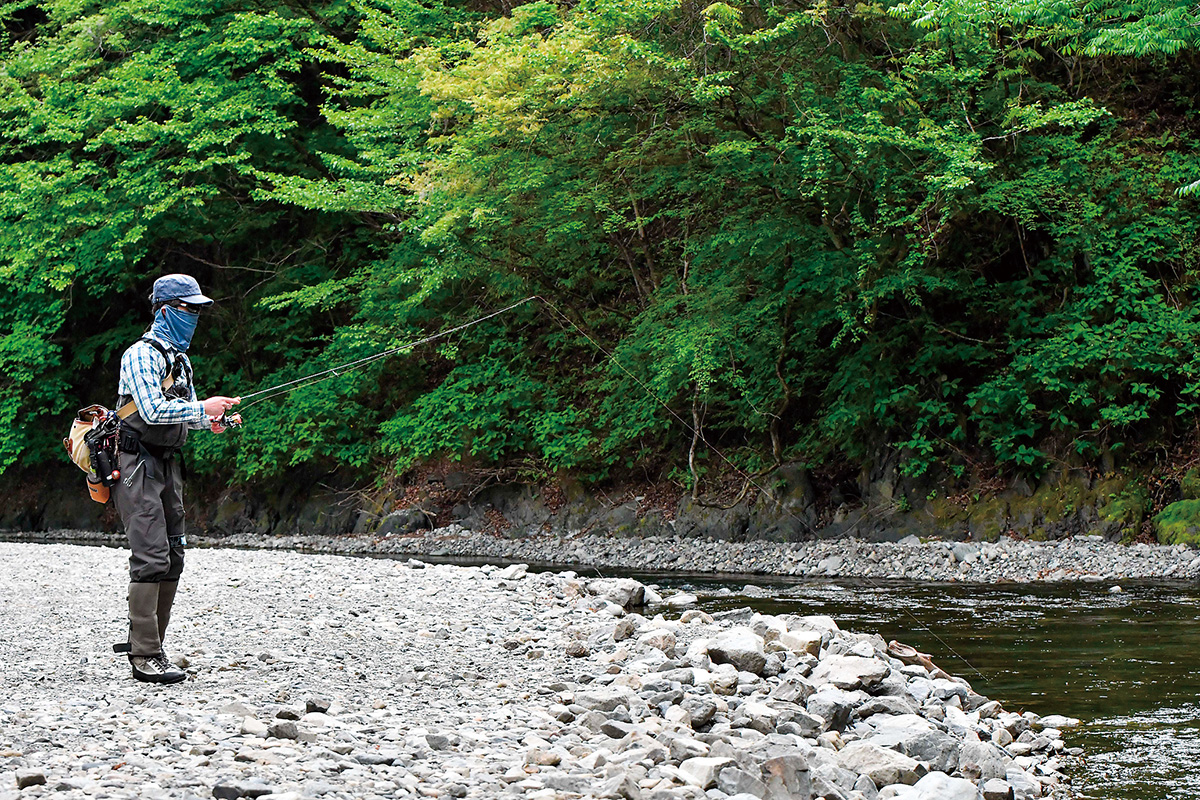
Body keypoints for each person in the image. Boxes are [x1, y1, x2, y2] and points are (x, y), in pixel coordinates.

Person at [112, 274, 240, 683]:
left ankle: (155, 647)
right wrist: (202, 405)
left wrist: (211, 420)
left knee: (174, 554)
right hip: (135, 466)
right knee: (150, 555)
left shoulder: (180, 360)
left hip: (168, 463)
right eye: (189, 309)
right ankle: (143, 655)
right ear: (166, 311)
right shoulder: (140, 355)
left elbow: (182, 413)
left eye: (199, 310)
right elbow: (150, 411)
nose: (195, 317)